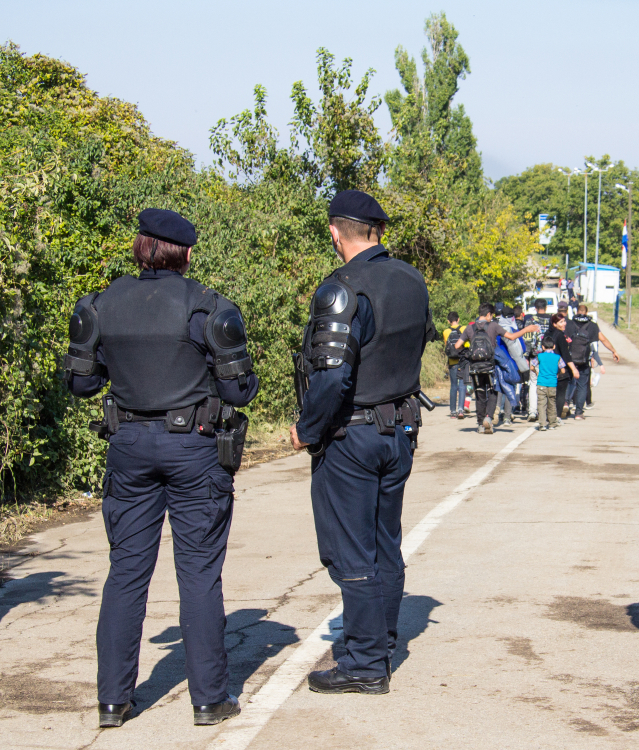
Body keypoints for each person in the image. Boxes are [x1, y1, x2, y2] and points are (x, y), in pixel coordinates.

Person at [63, 209, 259, 728]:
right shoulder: (207, 307)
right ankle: (209, 699)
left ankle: (112, 701)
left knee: (126, 572)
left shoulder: (100, 305)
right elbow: (240, 390)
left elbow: (80, 384)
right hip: (193, 447)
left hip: (127, 443)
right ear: (186, 253)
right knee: (197, 572)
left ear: (139, 248)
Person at [290, 190, 437, 695]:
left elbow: (332, 377)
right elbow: (421, 342)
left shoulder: (343, 288)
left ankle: (365, 664)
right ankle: (381, 642)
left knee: (350, 551)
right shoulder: (411, 279)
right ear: (377, 230)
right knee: (383, 543)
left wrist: (307, 429)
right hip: (401, 428)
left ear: (336, 231)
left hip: (352, 433)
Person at [454, 304, 537, 433]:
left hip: (475, 366)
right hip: (491, 366)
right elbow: (512, 337)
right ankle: (488, 417)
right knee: (493, 392)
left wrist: (469, 349)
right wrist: (527, 329)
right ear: (488, 314)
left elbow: (457, 345)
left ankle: (481, 424)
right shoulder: (493, 326)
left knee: (480, 393)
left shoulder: (469, 328)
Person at [565, 304, 619, 419]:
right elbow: (603, 339)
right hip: (584, 359)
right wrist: (613, 351)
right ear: (587, 312)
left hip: (570, 359)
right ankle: (579, 413)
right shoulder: (592, 325)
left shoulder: (569, 324)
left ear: (577, 311)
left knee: (568, 382)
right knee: (582, 385)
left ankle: (565, 403)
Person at [496, 304, 530, 426]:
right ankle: (507, 417)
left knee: (498, 388)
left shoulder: (496, 329)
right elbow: (522, 348)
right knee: (509, 388)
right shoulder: (514, 331)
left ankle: (497, 409)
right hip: (511, 364)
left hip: (498, 361)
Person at [542, 312, 580, 421]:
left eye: (564, 321)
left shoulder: (547, 334)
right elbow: (566, 355)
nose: (564, 323)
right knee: (560, 394)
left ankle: (547, 416)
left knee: (548, 394)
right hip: (560, 369)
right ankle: (557, 416)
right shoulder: (560, 336)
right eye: (561, 322)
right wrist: (573, 369)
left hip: (547, 368)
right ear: (554, 324)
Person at [523, 298, 551, 421]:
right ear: (546, 307)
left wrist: (527, 357)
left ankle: (532, 412)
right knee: (549, 383)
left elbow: (527, 340)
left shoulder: (530, 321)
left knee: (533, 383)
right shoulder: (552, 320)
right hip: (550, 357)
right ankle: (545, 411)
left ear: (535, 308)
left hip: (535, 356)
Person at [533, 338, 564, 430]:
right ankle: (552, 423)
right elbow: (563, 369)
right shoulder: (558, 357)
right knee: (552, 404)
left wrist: (536, 372)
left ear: (543, 347)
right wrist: (557, 374)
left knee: (542, 404)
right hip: (552, 383)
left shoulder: (539, 356)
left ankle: (542, 424)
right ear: (554, 346)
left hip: (541, 383)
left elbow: (531, 367)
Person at [443, 311, 467, 418]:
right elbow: (467, 344)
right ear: (458, 319)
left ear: (448, 321)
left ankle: (452, 412)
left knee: (453, 386)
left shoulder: (446, 332)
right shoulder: (464, 329)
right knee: (462, 385)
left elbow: (447, 347)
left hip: (452, 361)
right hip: (463, 360)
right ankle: (460, 410)